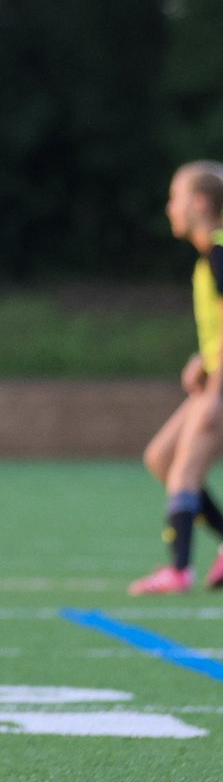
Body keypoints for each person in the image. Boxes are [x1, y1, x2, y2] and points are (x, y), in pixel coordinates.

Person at [130, 161, 223, 595]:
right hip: (215, 375)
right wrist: (202, 359)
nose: (170, 208)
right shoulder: (210, 255)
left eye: (177, 198)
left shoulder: (221, 252)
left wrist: (216, 390)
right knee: (161, 459)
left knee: (185, 471)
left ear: (201, 204)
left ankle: (178, 571)